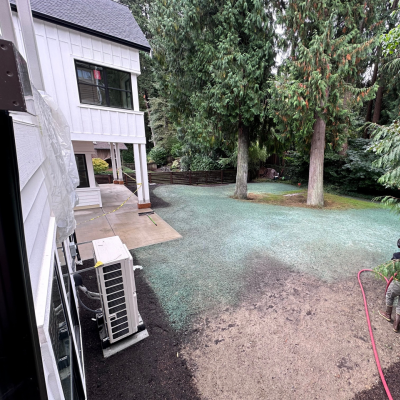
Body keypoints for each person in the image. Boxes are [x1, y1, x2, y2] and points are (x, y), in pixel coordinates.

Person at [379, 241, 400, 332]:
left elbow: (391, 269)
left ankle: (388, 314)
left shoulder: (396, 256)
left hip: (398, 282)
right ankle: (396, 325)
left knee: (390, 295)